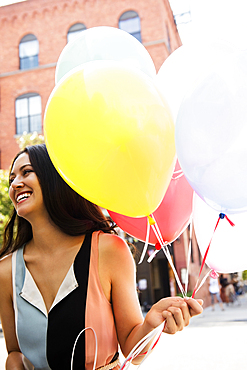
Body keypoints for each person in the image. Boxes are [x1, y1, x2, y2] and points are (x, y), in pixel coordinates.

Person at [0, 144, 203, 370]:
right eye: (11, 179)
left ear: (55, 177)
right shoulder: (5, 271)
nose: (15, 184)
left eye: (26, 172)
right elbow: (15, 352)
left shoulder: (109, 250)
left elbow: (133, 352)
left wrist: (153, 322)